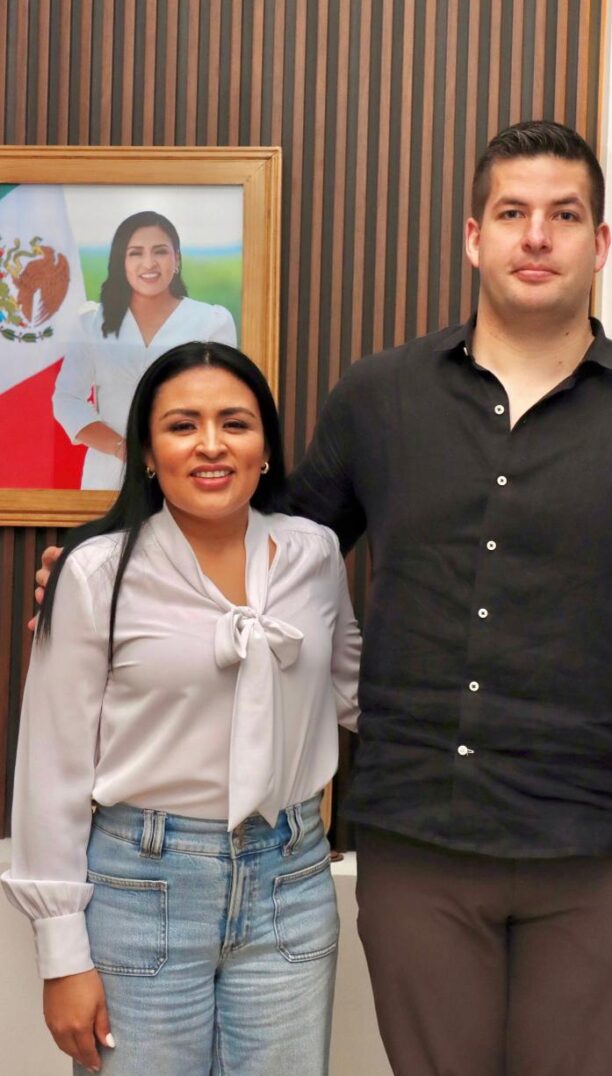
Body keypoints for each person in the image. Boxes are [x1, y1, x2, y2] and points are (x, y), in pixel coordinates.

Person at [33, 122, 612, 1075]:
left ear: (601, 242)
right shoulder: (379, 398)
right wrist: (105, 567)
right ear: (474, 237)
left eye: (565, 215)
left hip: (595, 844)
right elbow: (267, 548)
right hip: (417, 838)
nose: (537, 236)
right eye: (512, 213)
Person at [7, 341, 360, 1075]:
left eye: (235, 423)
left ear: (266, 447)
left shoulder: (316, 554)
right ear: (146, 451)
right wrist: (61, 952)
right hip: (141, 891)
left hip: (291, 884)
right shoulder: (95, 573)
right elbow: (52, 768)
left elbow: (357, 693)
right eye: (182, 425)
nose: (211, 444)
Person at [53, 211, 237, 489]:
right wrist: (122, 449)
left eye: (160, 251)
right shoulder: (91, 322)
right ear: (121, 262)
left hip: (184, 473)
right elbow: (67, 399)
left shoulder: (211, 321)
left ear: (177, 259)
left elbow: (222, 403)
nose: (149, 263)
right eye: (135, 253)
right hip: (106, 478)